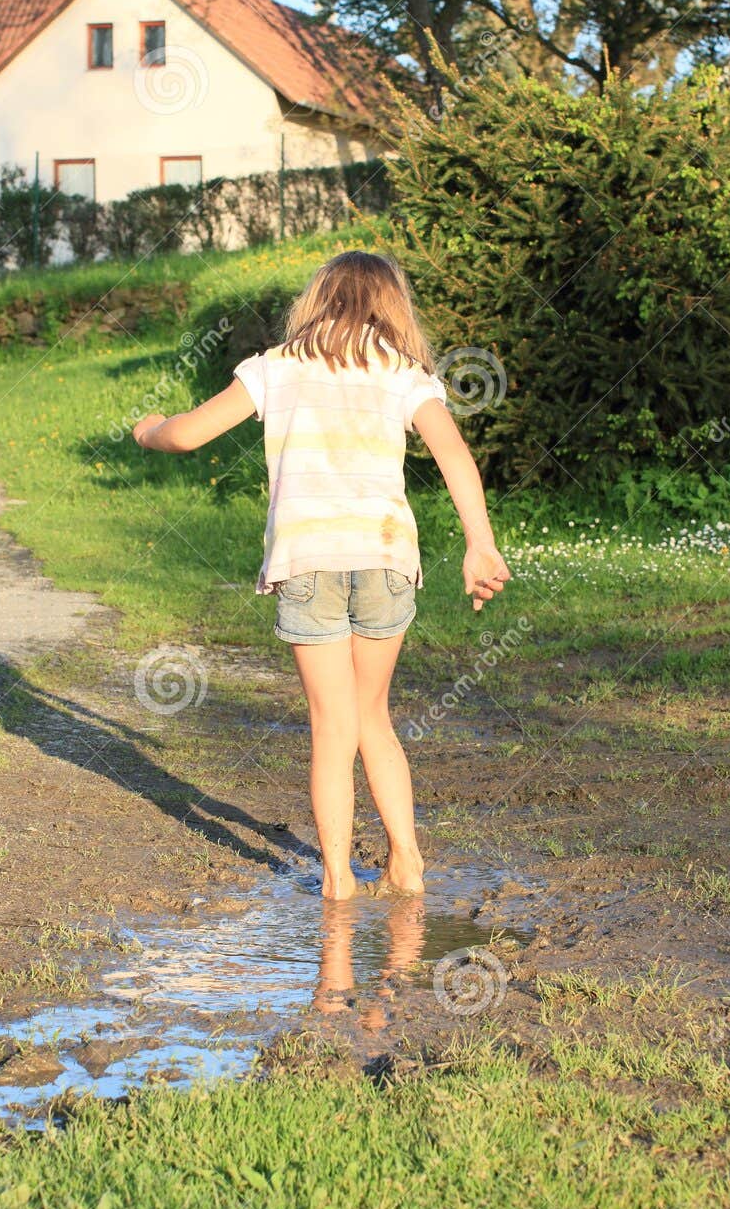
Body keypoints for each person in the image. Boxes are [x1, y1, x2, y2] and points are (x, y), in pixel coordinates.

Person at [133, 250, 510, 901]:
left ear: (316, 300)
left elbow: (189, 435)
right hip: (385, 561)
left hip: (308, 563)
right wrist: (479, 543)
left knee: (331, 725)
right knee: (373, 718)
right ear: (391, 306)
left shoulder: (274, 368)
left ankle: (336, 877)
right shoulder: (402, 373)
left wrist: (148, 430)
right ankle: (407, 862)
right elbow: (453, 453)